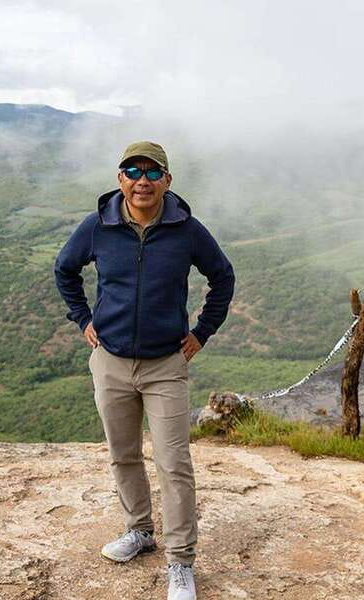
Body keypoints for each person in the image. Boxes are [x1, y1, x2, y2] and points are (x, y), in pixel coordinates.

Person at [53, 141, 235, 600]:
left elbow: (223, 277)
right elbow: (64, 269)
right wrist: (83, 320)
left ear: (167, 182)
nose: (142, 181)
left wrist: (203, 331)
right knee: (123, 454)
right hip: (110, 360)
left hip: (166, 365)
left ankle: (180, 563)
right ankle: (140, 531)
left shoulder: (186, 230)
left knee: (174, 463)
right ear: (120, 179)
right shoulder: (98, 227)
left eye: (153, 173)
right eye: (133, 171)